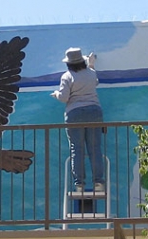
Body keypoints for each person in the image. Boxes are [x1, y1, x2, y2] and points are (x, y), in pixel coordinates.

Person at [51, 47, 106, 193]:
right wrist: (91, 64)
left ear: (68, 63)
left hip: (75, 113)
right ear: (82, 60)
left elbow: (64, 98)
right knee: (95, 149)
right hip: (94, 112)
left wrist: (56, 94)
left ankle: (80, 184)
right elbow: (94, 82)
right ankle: (99, 183)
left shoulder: (67, 76)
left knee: (77, 149)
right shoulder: (91, 73)